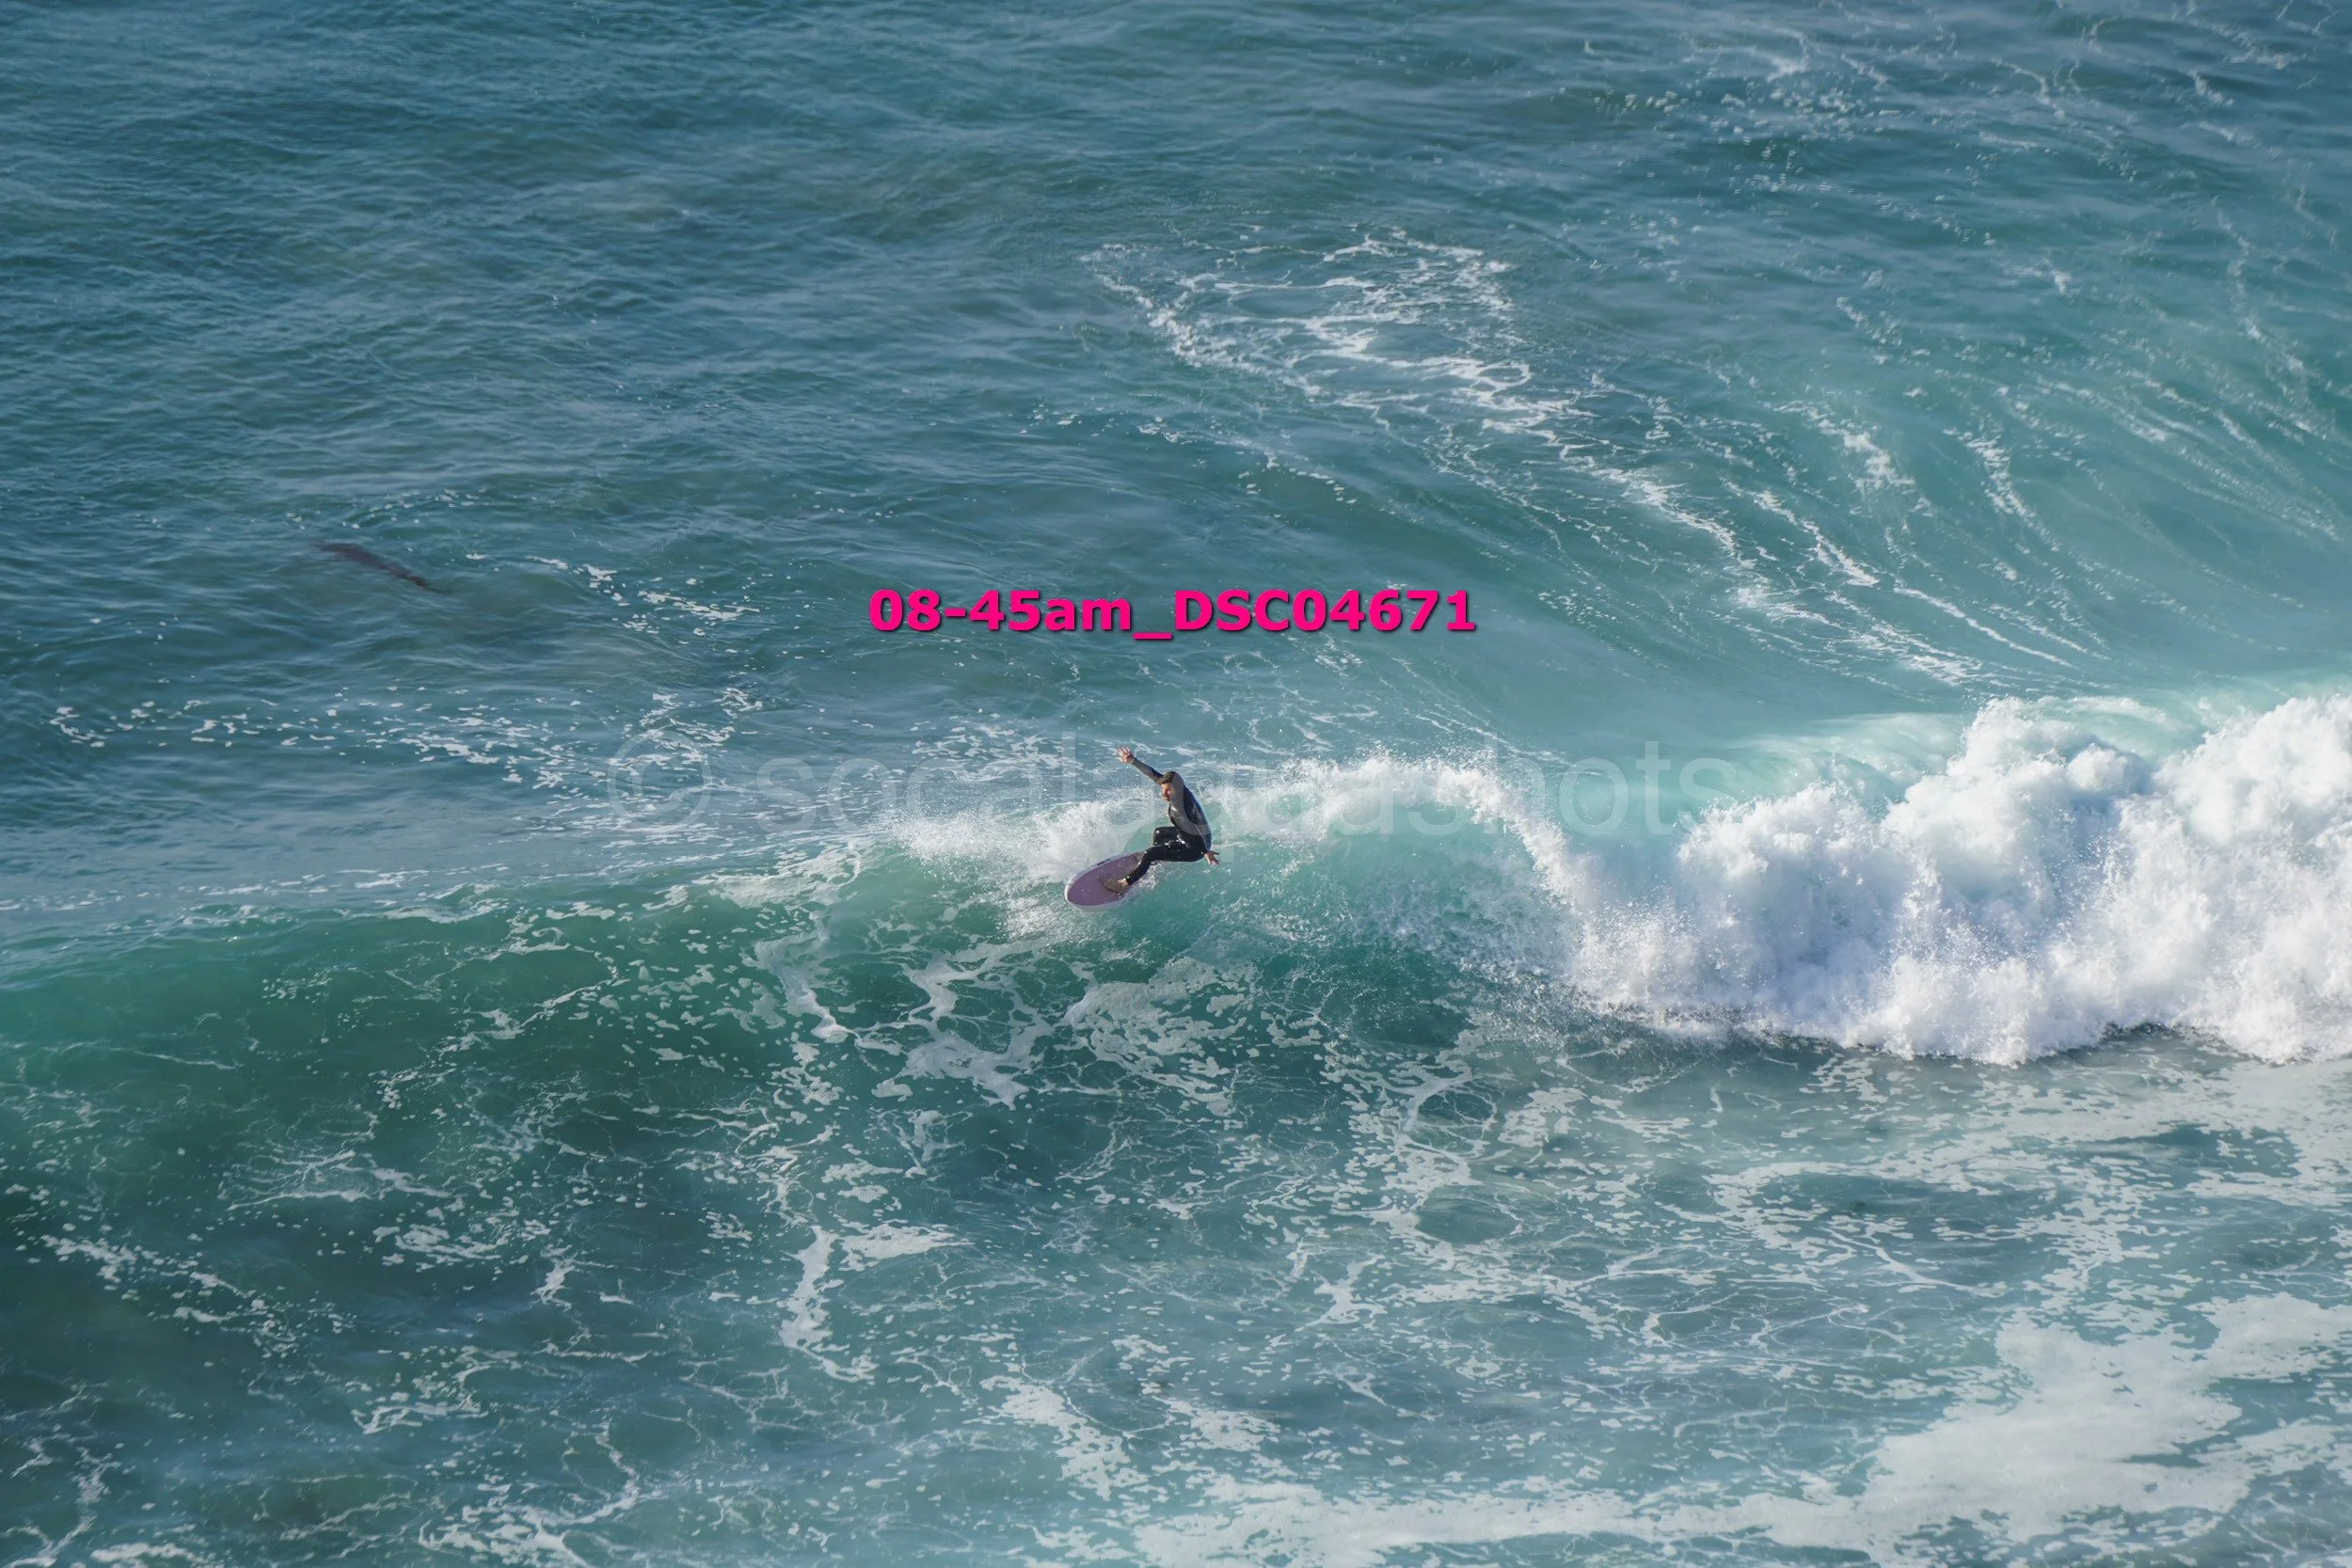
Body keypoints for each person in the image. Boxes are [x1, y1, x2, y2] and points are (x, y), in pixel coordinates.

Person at [1108, 747, 1219, 893]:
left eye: (1169, 791)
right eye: (1164, 789)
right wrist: (1133, 761)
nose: (1165, 794)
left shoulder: (1179, 810)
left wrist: (1205, 851)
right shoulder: (1180, 788)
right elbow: (1155, 776)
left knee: (1149, 854)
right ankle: (1157, 862)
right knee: (1159, 833)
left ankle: (1123, 885)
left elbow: (1196, 832)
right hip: (1195, 835)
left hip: (1194, 848)